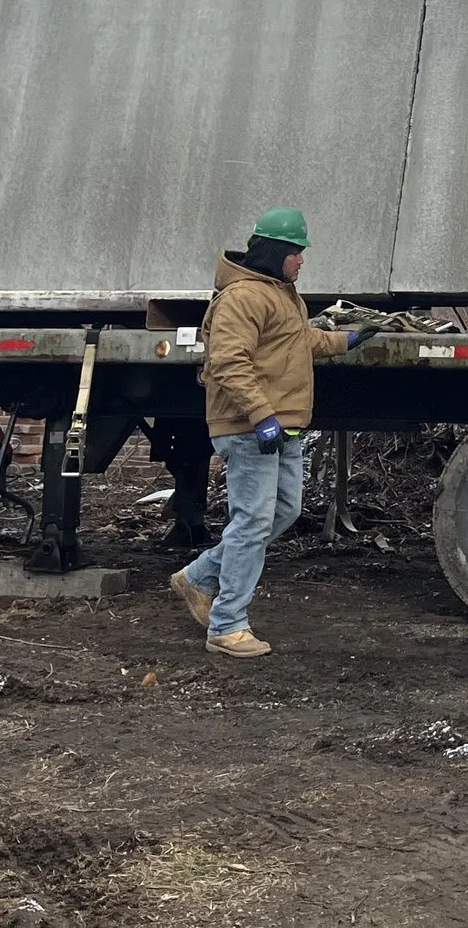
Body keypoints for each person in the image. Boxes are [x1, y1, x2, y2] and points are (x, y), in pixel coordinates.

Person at [168, 207, 360, 657]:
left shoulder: (282, 294)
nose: (301, 260)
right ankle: (227, 625)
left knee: (284, 511)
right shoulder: (242, 297)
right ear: (274, 252)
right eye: (295, 252)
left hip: (281, 426)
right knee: (252, 521)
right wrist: (261, 416)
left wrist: (347, 340)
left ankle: (198, 577)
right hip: (251, 428)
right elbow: (228, 362)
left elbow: (299, 342)